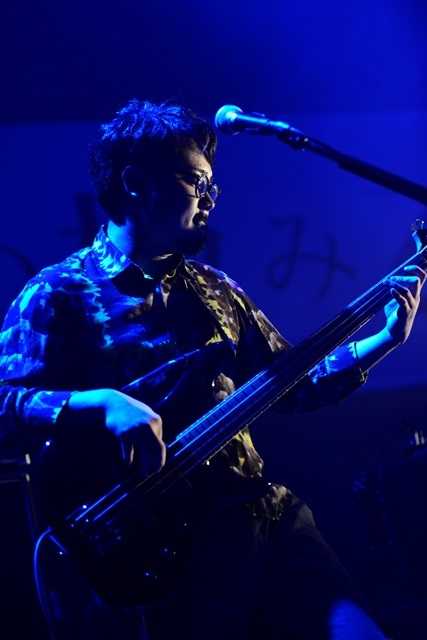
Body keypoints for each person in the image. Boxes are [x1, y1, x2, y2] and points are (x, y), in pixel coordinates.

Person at [0, 98, 425, 640]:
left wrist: (385, 339)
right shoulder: (59, 293)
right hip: (169, 547)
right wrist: (98, 403)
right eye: (196, 182)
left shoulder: (217, 289)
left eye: (212, 187)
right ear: (135, 182)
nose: (208, 199)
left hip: (266, 518)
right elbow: (4, 407)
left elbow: (293, 385)